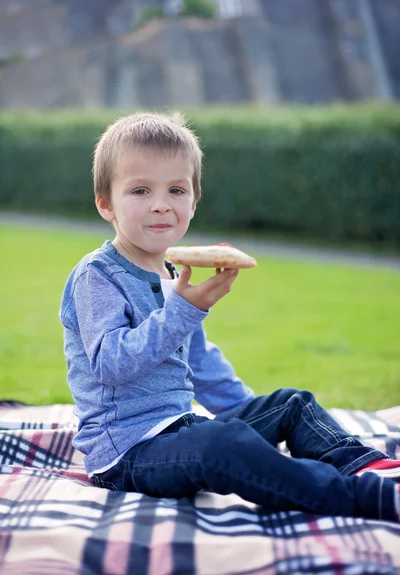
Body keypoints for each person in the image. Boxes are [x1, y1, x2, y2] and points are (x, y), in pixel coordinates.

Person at [60, 112, 400, 523]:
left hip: (180, 427)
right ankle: (360, 497)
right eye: (140, 191)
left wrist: (254, 420)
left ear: (194, 201)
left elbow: (199, 362)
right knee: (221, 446)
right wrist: (186, 310)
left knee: (290, 403)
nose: (161, 205)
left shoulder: (171, 271)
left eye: (176, 190)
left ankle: (365, 466)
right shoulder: (97, 275)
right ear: (105, 204)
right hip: (128, 452)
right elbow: (110, 365)